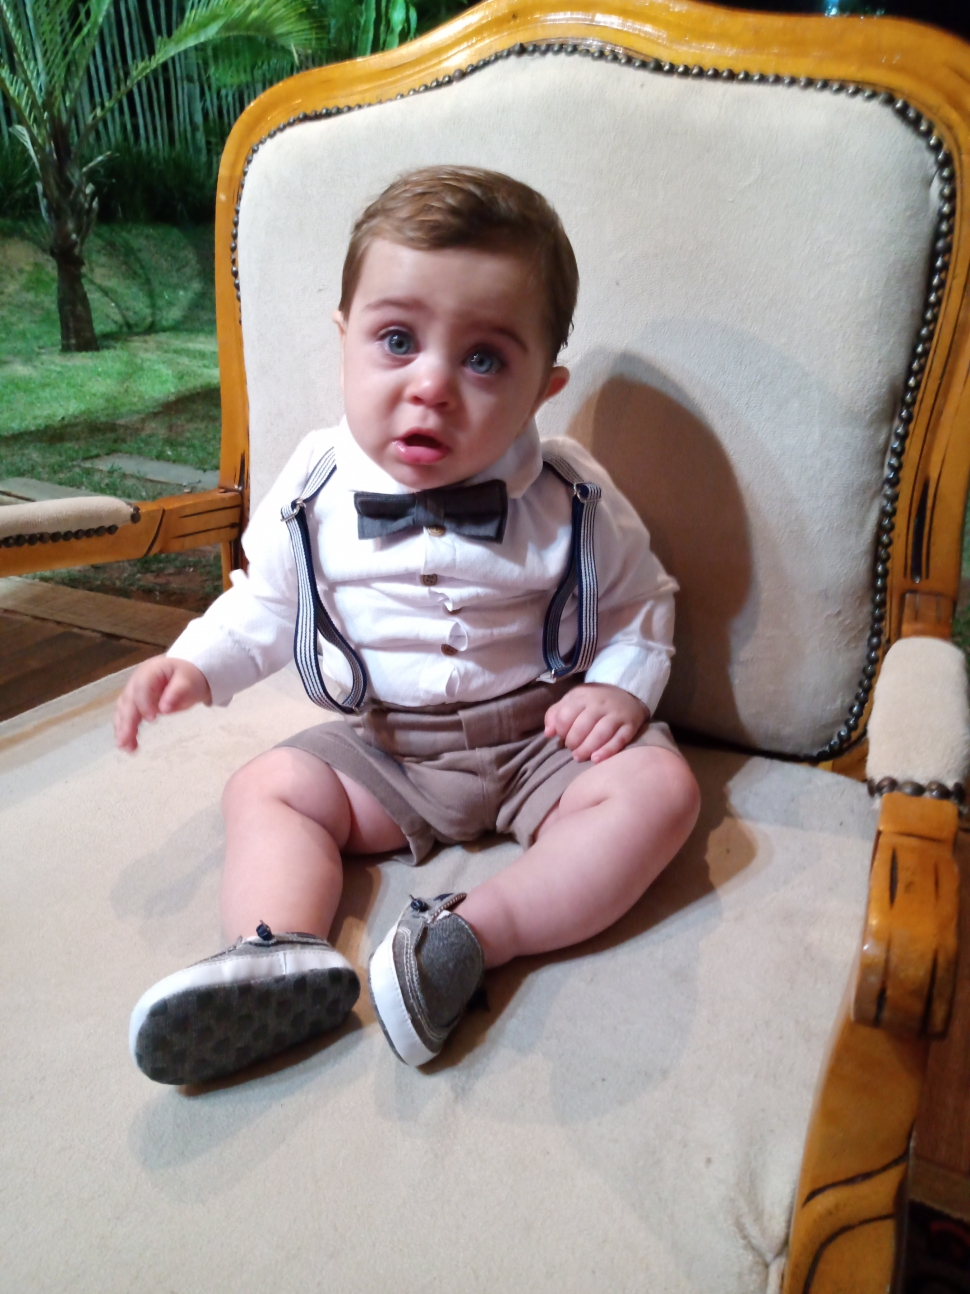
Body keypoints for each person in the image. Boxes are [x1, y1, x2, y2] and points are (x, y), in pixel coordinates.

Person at [117, 166, 700, 1085]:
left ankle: (471, 936)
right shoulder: (312, 487)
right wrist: (195, 664)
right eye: (397, 340)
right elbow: (269, 602)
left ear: (543, 388)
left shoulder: (575, 495)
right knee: (267, 788)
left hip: (544, 740)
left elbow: (641, 601)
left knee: (661, 791)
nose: (432, 385)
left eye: (484, 360)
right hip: (389, 751)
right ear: (344, 339)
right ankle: (276, 952)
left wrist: (620, 690)